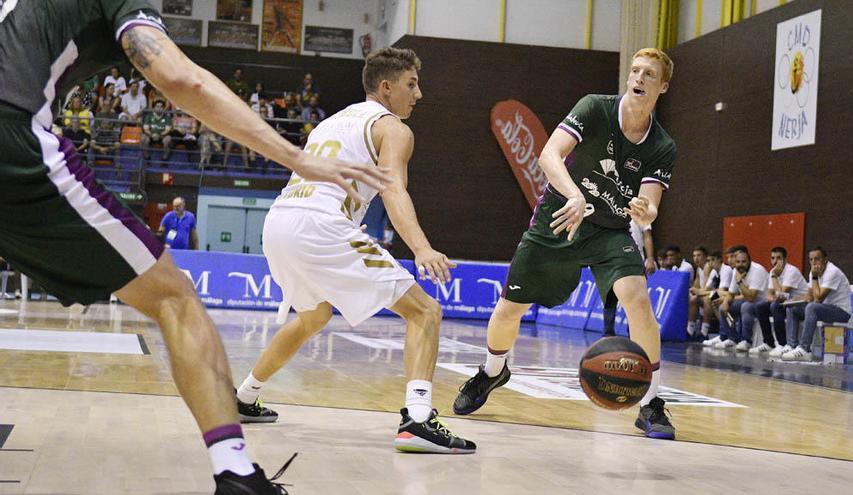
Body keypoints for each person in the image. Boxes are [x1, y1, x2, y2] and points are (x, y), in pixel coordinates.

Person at [0, 2, 387, 493]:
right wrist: (296, 157)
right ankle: (237, 474)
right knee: (175, 297)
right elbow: (183, 81)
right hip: (11, 134)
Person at [234, 47, 475, 454]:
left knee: (313, 316)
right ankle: (417, 420)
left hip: (278, 222)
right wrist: (421, 248)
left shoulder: (330, 122)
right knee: (425, 311)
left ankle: (241, 397)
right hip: (320, 224)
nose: (418, 95)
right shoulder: (393, 128)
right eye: (411, 84)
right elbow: (392, 187)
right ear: (386, 87)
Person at [453, 48, 677, 439]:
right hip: (560, 217)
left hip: (609, 231)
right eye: (635, 71)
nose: (639, 78)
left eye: (649, 74)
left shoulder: (662, 146)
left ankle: (651, 403)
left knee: (637, 298)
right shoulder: (594, 108)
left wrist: (645, 214)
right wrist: (574, 194)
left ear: (663, 86)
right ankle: (492, 372)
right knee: (510, 308)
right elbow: (548, 154)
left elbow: (651, 205)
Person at [783, 247, 852, 361]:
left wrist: (814, 277)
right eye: (811, 259)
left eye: (817, 259)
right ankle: (792, 345)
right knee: (793, 308)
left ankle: (804, 349)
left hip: (842, 312)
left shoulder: (832, 272)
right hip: (825, 308)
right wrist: (793, 300)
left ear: (825, 260)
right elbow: (810, 296)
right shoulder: (813, 272)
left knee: (812, 307)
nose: (813, 262)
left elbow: (818, 298)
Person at [603, 219, 655, 337]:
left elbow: (647, 236)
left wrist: (650, 258)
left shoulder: (639, 209)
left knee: (635, 298)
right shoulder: (610, 208)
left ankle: (633, 334)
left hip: (635, 259)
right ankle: (608, 333)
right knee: (610, 296)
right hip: (613, 259)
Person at [759, 246, 809, 356]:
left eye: (779, 258)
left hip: (801, 305)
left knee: (775, 306)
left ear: (785, 260)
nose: (775, 261)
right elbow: (770, 294)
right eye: (773, 258)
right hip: (788, 304)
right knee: (761, 307)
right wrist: (775, 297)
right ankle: (769, 342)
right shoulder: (773, 271)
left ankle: (782, 344)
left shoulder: (791, 271)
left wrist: (774, 277)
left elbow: (781, 294)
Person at [724, 247, 770, 352]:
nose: (740, 264)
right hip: (751, 301)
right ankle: (732, 338)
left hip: (763, 303)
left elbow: (751, 297)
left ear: (749, 261)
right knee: (723, 306)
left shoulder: (757, 270)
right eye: (738, 262)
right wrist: (726, 302)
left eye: (744, 262)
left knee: (746, 306)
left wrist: (740, 282)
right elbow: (731, 293)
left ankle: (746, 341)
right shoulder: (737, 271)